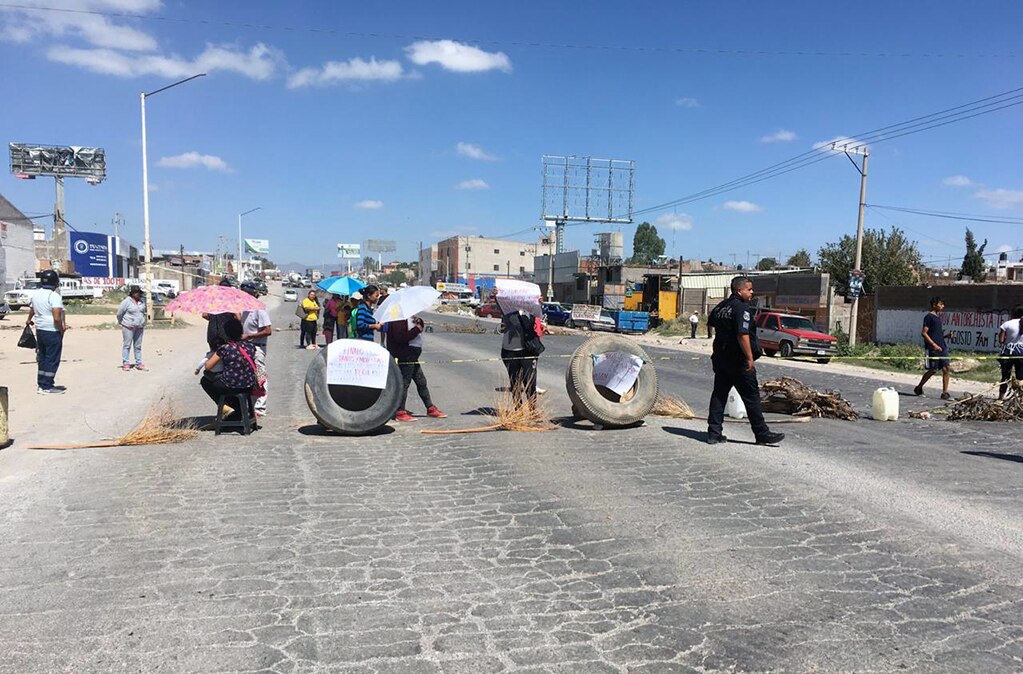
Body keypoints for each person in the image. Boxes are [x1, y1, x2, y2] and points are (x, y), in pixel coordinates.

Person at [705, 277, 784, 445]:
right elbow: (743, 334)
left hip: (721, 358)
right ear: (739, 291)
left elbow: (711, 323)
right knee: (752, 397)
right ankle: (762, 434)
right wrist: (749, 358)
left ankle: (713, 433)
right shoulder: (741, 308)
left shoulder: (721, 306)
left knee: (719, 394)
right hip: (738, 360)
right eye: (749, 289)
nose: (752, 292)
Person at [386, 315, 447, 422]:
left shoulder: (408, 316)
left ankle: (430, 408)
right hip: (406, 354)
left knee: (421, 381)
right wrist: (416, 330)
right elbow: (400, 337)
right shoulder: (398, 319)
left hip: (412, 355)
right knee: (405, 382)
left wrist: (419, 322)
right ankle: (400, 411)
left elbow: (420, 326)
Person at [198, 317, 258, 419]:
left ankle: (225, 407)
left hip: (232, 386)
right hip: (249, 385)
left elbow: (208, 366)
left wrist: (207, 359)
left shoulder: (225, 348)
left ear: (226, 333)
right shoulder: (250, 346)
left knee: (205, 381)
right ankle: (237, 412)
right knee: (232, 382)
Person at [26, 270, 67, 395]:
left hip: (40, 330)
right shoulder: (54, 296)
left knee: (43, 358)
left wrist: (28, 319)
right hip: (52, 330)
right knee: (52, 359)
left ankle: (41, 384)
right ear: (55, 282)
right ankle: (47, 386)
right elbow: (57, 318)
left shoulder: (36, 295)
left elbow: (32, 309)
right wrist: (62, 329)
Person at [240, 282, 272, 417]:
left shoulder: (260, 309)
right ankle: (250, 405)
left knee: (260, 375)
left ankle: (260, 407)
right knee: (248, 376)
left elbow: (268, 331)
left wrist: (249, 336)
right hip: (245, 346)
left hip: (258, 346)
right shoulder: (242, 309)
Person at [913, 296, 951, 400]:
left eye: (943, 304)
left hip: (942, 347)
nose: (942, 306)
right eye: (940, 304)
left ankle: (945, 393)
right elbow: (924, 333)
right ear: (934, 305)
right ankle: (919, 387)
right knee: (933, 369)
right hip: (933, 348)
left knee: (946, 368)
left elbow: (937, 335)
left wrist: (946, 336)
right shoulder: (929, 317)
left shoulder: (938, 318)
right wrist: (934, 345)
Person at [500, 308, 539, 407]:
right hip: (510, 350)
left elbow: (537, 318)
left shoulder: (530, 307)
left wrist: (538, 303)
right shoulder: (507, 308)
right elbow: (502, 327)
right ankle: (518, 409)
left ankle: (532, 409)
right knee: (515, 381)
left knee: (530, 381)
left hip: (528, 350)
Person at [117, 285, 147, 371]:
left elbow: (143, 312)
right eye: (135, 292)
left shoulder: (142, 301)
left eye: (138, 292)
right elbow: (119, 313)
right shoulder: (126, 302)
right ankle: (126, 363)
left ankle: (139, 363)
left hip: (139, 326)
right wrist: (122, 322)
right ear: (132, 293)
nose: (137, 294)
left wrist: (142, 321)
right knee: (127, 345)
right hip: (128, 326)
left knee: (138, 346)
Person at [997, 305, 1023, 400]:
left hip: (1008, 353)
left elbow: (1001, 340)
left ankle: (1000, 398)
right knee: (1020, 377)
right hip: (1021, 353)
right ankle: (1020, 399)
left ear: (1013, 314)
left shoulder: (1007, 324)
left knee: (1005, 377)